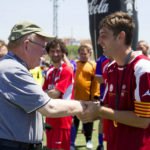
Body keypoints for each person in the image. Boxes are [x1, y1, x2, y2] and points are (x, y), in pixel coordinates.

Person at [0, 21, 87, 150]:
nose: (44, 53)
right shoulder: (12, 69)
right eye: (43, 47)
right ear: (27, 45)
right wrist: (84, 106)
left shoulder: (11, 67)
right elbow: (49, 107)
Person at [79, 11, 150, 150]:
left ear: (121, 36)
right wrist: (86, 111)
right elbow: (107, 108)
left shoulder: (143, 68)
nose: (99, 41)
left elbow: (143, 120)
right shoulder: (110, 68)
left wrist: (99, 111)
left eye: (103, 36)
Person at [43, 38, 74, 150]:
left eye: (58, 51)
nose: (55, 53)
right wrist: (47, 93)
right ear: (48, 53)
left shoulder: (67, 70)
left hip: (62, 118)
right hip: (50, 117)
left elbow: (56, 94)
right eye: (52, 51)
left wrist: (47, 93)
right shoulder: (49, 71)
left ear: (63, 52)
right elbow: (44, 92)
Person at [72, 45, 100, 149]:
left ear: (89, 54)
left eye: (85, 53)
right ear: (79, 54)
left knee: (88, 121)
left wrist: (95, 97)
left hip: (88, 99)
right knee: (75, 121)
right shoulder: (75, 64)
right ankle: (72, 142)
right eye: (81, 53)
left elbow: (96, 82)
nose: (83, 55)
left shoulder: (93, 65)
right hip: (75, 99)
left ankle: (88, 140)